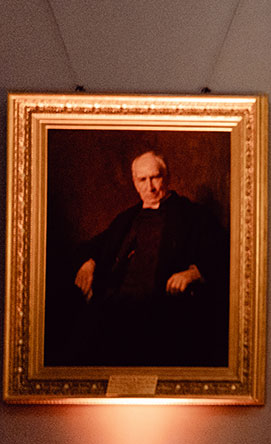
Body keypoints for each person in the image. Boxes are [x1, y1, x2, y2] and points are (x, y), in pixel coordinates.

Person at [69, 151, 228, 367]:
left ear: (167, 177)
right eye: (142, 180)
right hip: (114, 308)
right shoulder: (126, 218)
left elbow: (222, 252)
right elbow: (95, 245)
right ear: (134, 182)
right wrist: (88, 262)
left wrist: (194, 272)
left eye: (155, 178)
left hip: (162, 313)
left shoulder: (192, 215)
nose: (150, 187)